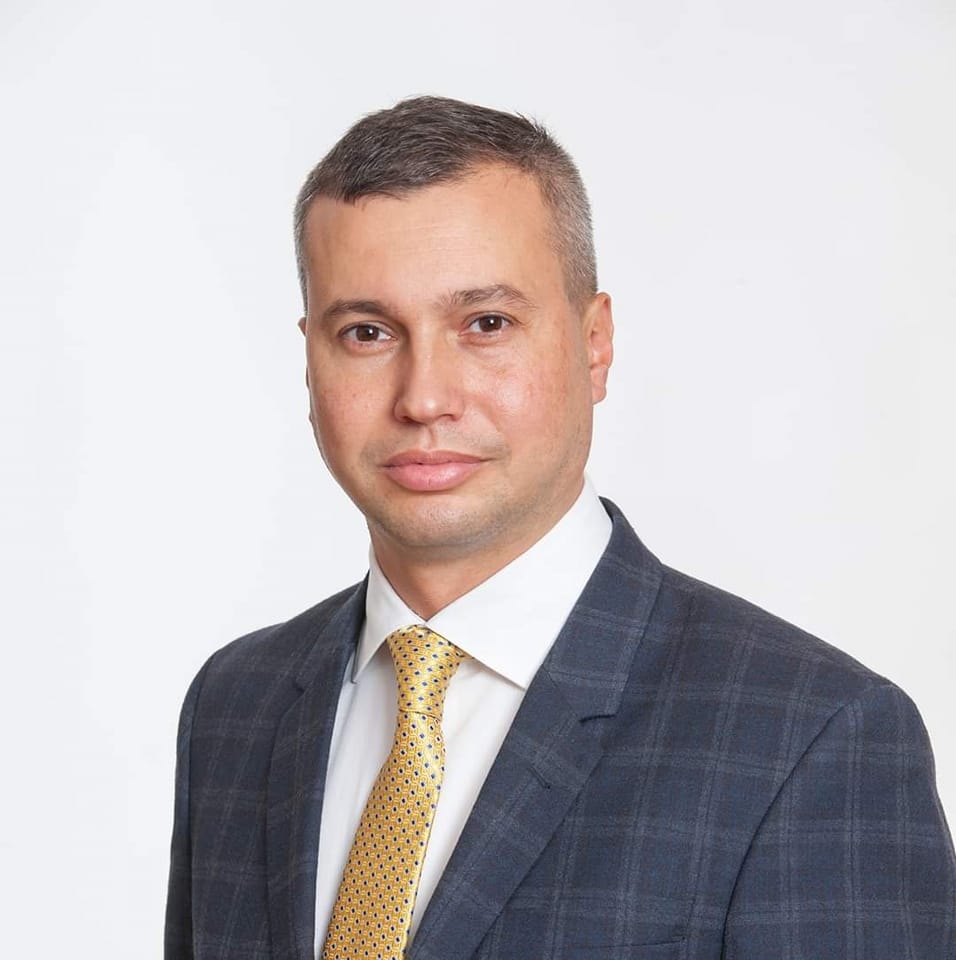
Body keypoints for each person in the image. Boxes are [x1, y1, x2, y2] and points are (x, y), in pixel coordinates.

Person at [165, 96, 955, 960]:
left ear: (594, 344)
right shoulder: (235, 708)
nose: (424, 397)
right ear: (310, 360)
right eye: (367, 332)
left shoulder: (813, 737)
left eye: (486, 324)